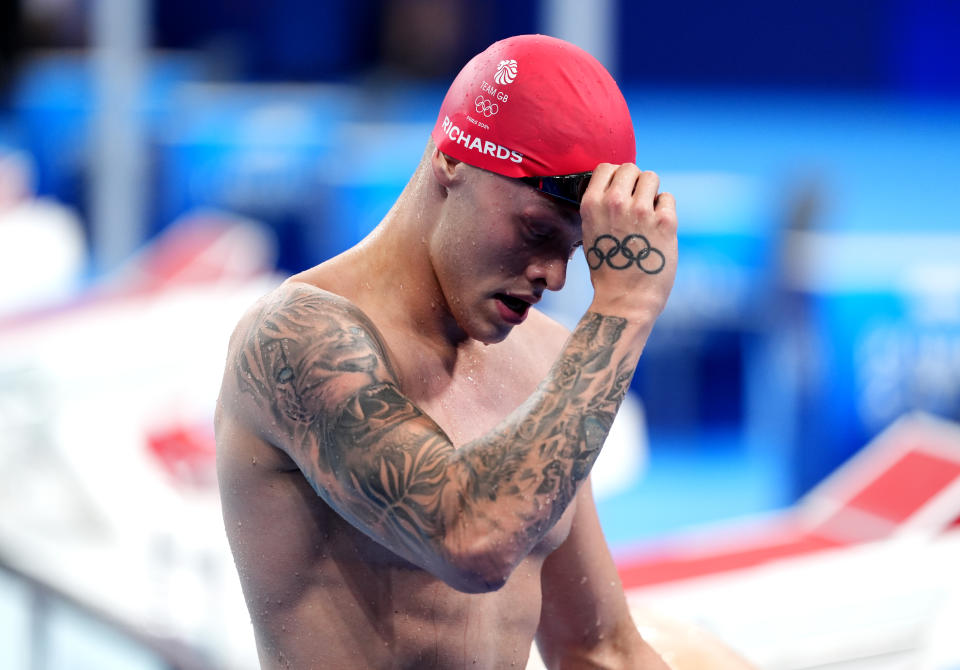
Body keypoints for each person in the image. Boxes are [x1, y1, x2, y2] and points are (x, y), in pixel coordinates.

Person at [216, 34, 677, 669]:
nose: (555, 276)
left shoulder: (545, 357)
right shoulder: (299, 339)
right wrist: (624, 307)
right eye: (537, 230)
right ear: (454, 160)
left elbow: (597, 648)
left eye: (573, 249)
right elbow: (470, 537)